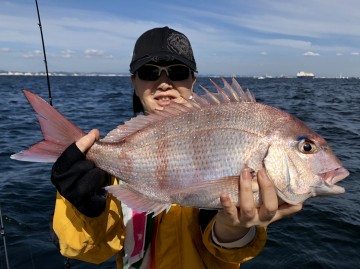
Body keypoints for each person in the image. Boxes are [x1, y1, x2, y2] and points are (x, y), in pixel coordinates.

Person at [51, 26, 303, 269]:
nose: (163, 82)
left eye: (178, 71)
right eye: (149, 72)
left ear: (193, 80)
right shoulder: (108, 164)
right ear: (134, 81)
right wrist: (85, 208)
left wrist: (234, 226)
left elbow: (227, 247)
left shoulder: (229, 138)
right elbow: (91, 252)